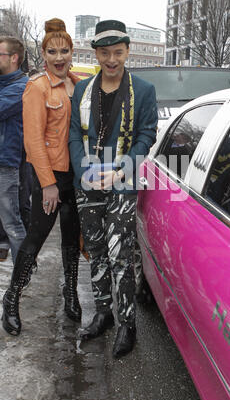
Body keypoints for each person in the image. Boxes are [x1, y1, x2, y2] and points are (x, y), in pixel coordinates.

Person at [69, 19, 158, 358]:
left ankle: (128, 323)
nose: (111, 59)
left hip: (123, 179)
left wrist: (120, 170)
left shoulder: (144, 90)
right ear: (96, 53)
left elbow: (146, 137)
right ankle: (104, 313)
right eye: (105, 53)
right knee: (95, 249)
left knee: (121, 253)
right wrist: (83, 170)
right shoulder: (82, 90)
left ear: (127, 51)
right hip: (89, 179)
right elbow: (75, 134)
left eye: (117, 52)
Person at [2, 18, 81, 336]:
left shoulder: (80, 85)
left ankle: (71, 294)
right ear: (44, 54)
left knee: (72, 240)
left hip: (77, 177)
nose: (59, 57)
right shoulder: (37, 88)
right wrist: (47, 183)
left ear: (72, 52)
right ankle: (11, 298)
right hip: (50, 177)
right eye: (52, 51)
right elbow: (32, 141)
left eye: (64, 50)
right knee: (34, 239)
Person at [0, 36, 28, 264]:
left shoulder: (21, 87)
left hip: (5, 165)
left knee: (11, 222)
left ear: (13, 58)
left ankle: (23, 270)